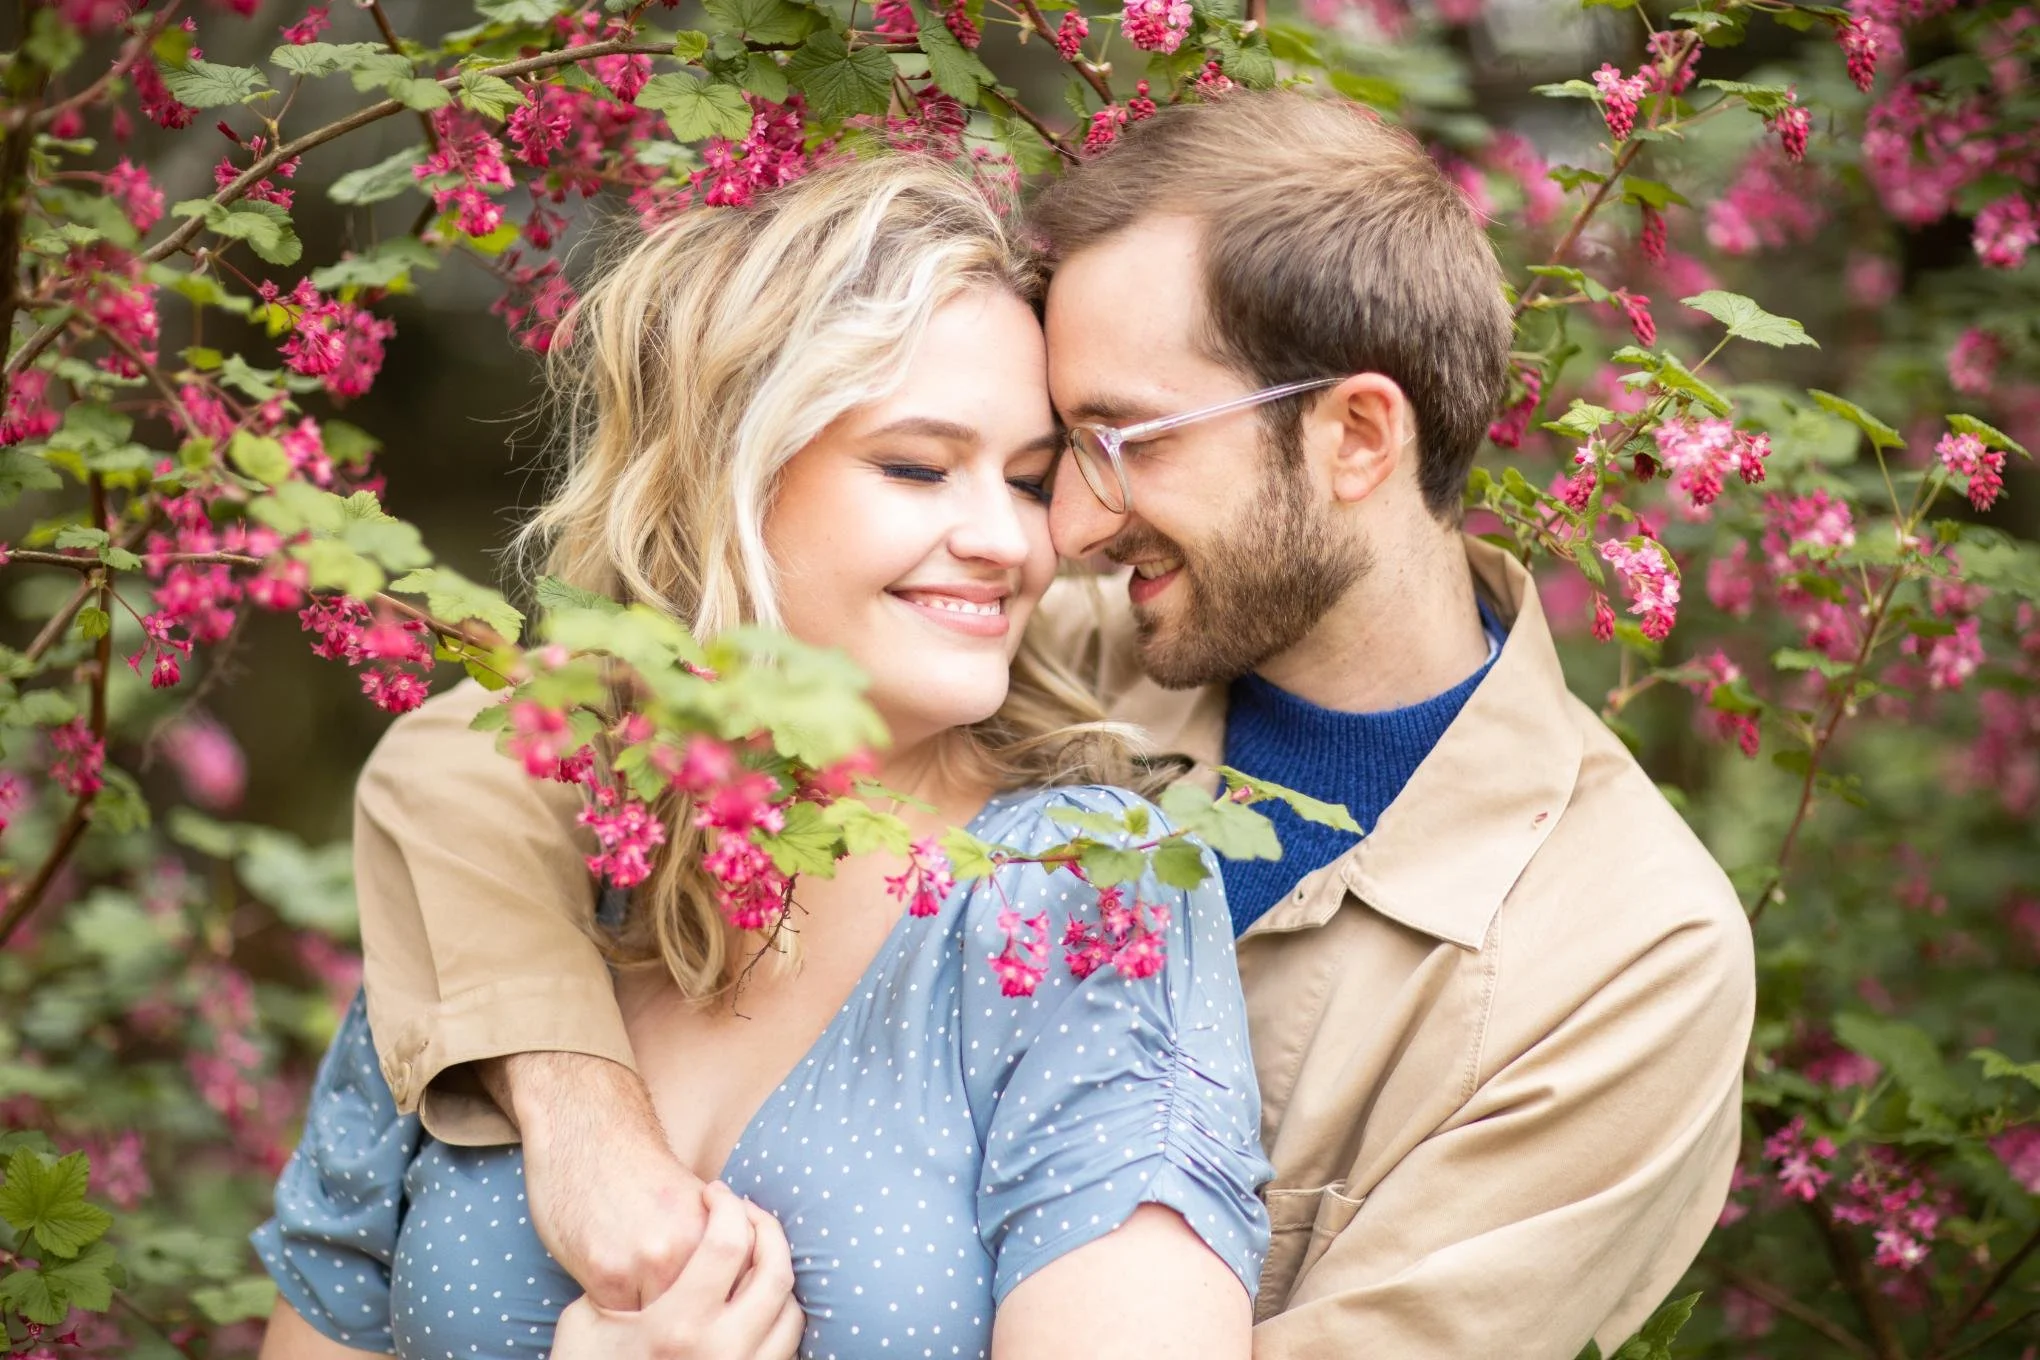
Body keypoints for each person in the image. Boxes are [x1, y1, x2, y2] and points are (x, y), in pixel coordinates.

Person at [346, 91, 1756, 1358]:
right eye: (1055, 458)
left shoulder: (1627, 957)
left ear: (1356, 439)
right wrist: (583, 1121)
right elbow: (465, 762)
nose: (1064, 527)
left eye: (1125, 443)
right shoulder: (1031, 651)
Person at [253, 155, 1272, 1360]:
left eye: (1032, 480)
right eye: (915, 465)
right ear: (726, 473)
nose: (1004, 539)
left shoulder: (1078, 892)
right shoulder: (523, 857)